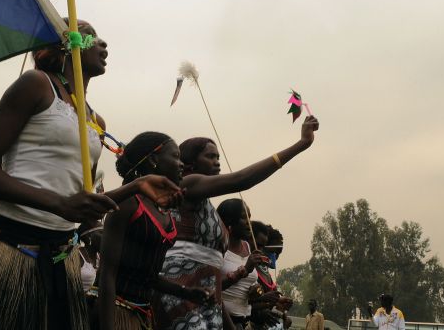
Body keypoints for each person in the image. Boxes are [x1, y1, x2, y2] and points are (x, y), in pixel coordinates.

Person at [0, 20, 182, 330]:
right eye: (90, 37)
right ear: (65, 45)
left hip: (61, 260)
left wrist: (136, 186)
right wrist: (58, 204)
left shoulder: (96, 120)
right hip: (11, 248)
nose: (103, 44)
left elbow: (79, 203)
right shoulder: (36, 85)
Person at [155, 115, 320, 330]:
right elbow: (242, 179)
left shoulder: (207, 209)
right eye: (210, 156)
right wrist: (301, 145)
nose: (217, 161)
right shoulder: (188, 184)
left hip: (207, 303)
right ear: (191, 164)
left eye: (218, 156)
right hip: (180, 294)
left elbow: (211, 276)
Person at [95, 132, 210, 330]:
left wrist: (185, 292)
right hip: (116, 311)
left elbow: (147, 276)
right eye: (175, 156)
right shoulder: (129, 203)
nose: (181, 163)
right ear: (154, 160)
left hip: (143, 314)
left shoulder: (164, 209)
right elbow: (107, 274)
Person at [218, 199, 263, 330]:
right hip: (222, 322)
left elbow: (244, 289)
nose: (249, 223)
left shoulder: (248, 246)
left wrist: (256, 291)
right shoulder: (219, 247)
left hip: (243, 322)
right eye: (244, 217)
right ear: (230, 220)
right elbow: (210, 287)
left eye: (249, 217)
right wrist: (244, 270)